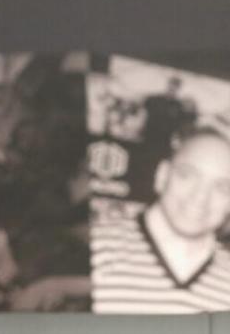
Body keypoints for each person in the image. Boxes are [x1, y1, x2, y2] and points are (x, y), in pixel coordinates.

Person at [91, 126, 230, 313]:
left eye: (222, 187)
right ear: (162, 176)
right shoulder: (97, 248)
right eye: (187, 175)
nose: (201, 197)